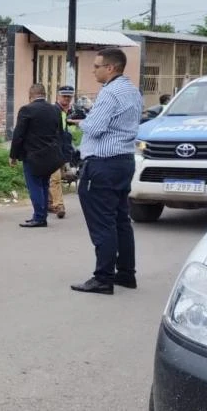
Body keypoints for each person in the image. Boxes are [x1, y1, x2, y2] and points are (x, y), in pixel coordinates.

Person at [68, 48, 141, 295]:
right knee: (121, 219)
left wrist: (82, 122)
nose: (93, 69)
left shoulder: (109, 93)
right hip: (123, 161)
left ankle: (103, 278)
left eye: (97, 66)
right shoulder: (132, 90)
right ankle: (126, 273)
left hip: (102, 163)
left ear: (110, 68)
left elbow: (95, 128)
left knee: (103, 222)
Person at [9, 83, 62, 228]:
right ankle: (40, 215)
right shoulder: (55, 110)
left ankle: (39, 217)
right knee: (44, 185)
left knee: (35, 187)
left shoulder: (27, 110)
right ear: (44, 94)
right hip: (50, 155)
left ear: (30, 95)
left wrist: (13, 155)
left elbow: (18, 135)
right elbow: (60, 133)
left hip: (32, 156)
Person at [49, 85, 75, 219]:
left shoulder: (68, 112)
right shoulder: (54, 111)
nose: (66, 98)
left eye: (69, 96)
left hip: (63, 151)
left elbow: (65, 135)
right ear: (57, 97)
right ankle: (59, 205)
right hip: (54, 151)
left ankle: (50, 203)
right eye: (64, 96)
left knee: (55, 178)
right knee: (55, 179)